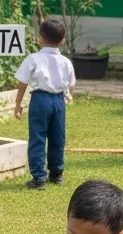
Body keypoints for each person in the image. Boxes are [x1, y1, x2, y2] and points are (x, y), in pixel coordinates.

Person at [13, 17, 76, 190]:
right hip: (58, 101)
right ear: (62, 41)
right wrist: (68, 95)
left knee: (37, 137)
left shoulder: (33, 59)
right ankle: (57, 173)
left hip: (40, 100)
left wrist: (18, 105)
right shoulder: (66, 61)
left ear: (40, 38)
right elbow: (70, 83)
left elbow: (22, 83)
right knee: (58, 137)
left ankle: (39, 177)